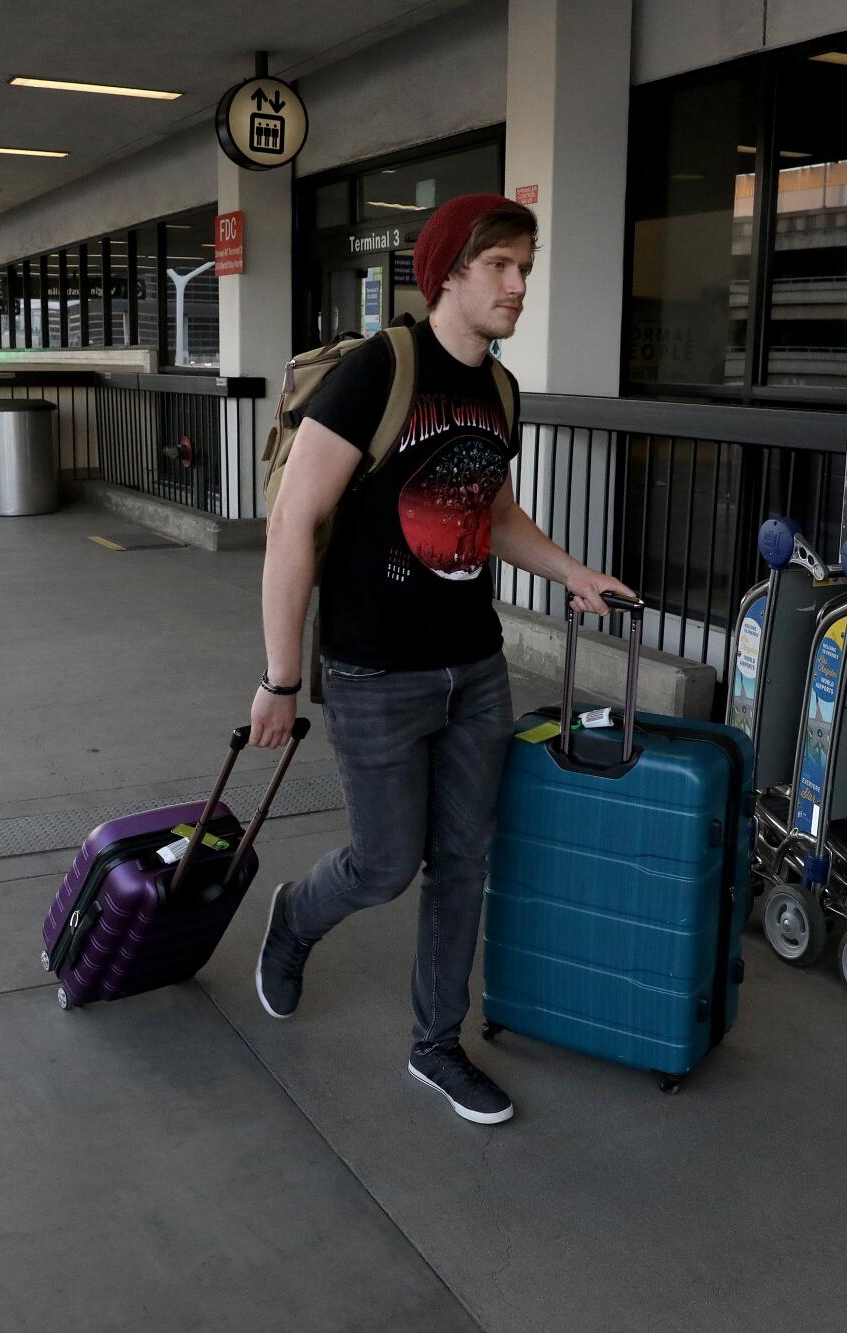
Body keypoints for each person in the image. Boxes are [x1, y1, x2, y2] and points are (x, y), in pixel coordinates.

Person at [249, 193, 635, 1125]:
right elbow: (294, 522)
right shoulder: (380, 371)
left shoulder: (498, 390)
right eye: (502, 265)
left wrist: (573, 571)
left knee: (463, 860)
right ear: (448, 272)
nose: (519, 285)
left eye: (526, 267)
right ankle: (295, 915)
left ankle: (435, 1044)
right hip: (377, 669)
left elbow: (491, 514)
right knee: (386, 864)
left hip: (475, 666)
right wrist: (281, 677)